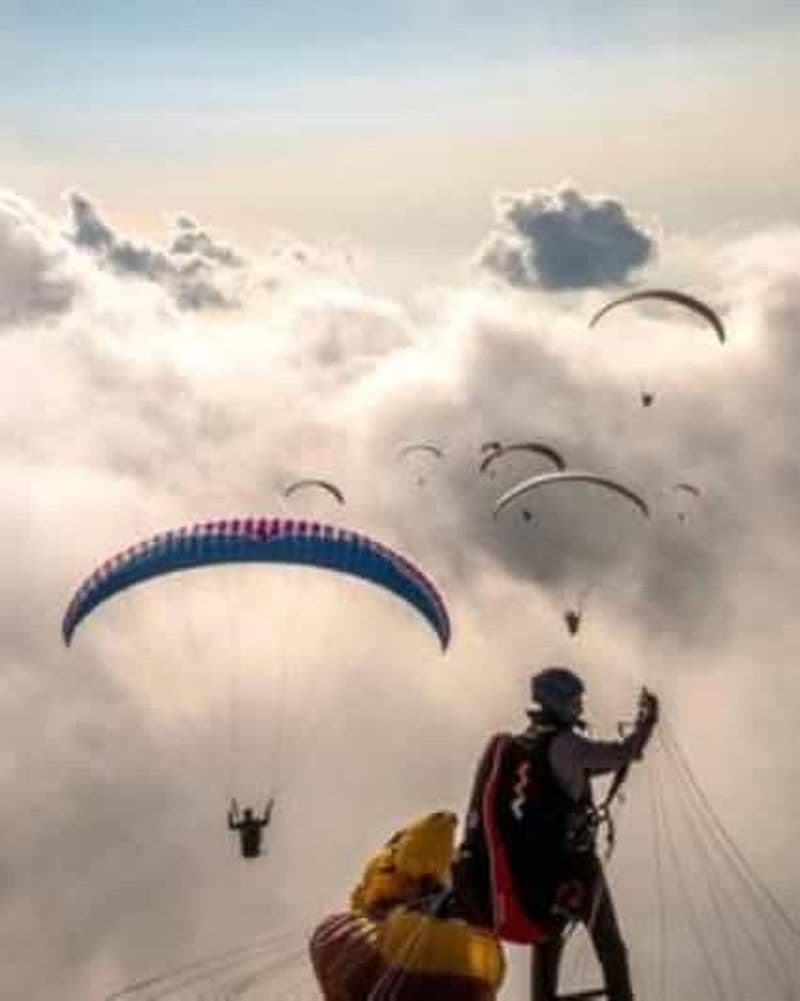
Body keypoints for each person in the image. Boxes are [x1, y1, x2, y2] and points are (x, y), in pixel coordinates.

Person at [455, 667, 658, 1001]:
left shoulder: (525, 746)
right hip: (574, 871)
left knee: (547, 940)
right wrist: (647, 724)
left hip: (538, 882)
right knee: (609, 945)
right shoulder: (568, 746)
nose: (580, 707)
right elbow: (624, 753)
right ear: (560, 702)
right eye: (576, 701)